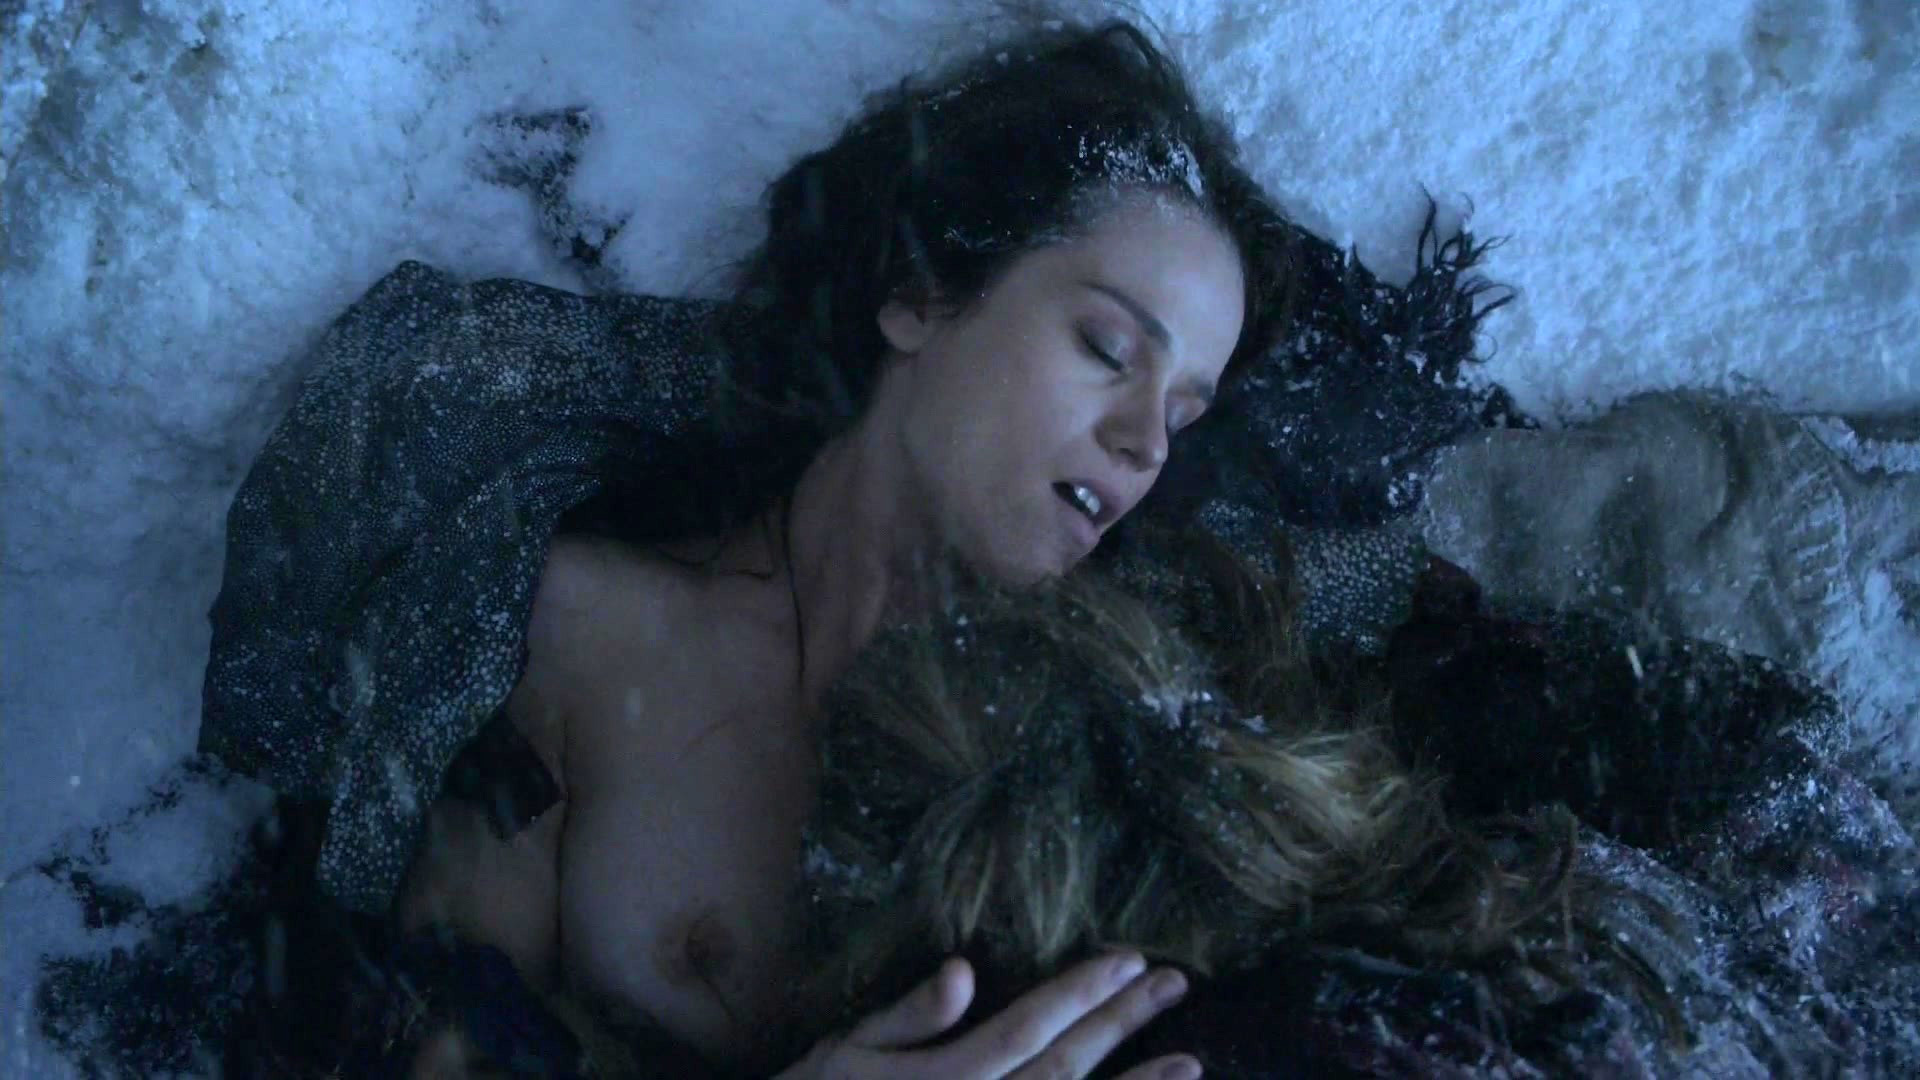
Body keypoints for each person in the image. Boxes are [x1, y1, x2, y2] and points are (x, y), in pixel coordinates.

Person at [196, 15, 1295, 1078]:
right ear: (919, 297)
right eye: (1109, 349)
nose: (1146, 442)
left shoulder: (1127, 737)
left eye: (1183, 415)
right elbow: (438, 1052)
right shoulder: (581, 638)